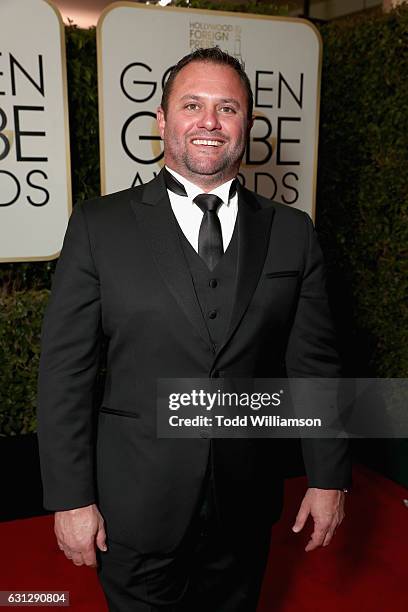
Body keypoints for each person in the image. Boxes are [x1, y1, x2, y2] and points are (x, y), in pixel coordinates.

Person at [37, 47, 351, 612]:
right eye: (192, 105)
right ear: (162, 121)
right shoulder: (98, 226)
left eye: (227, 108)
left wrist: (329, 478)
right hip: (132, 505)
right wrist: (69, 498)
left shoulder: (292, 233)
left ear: (247, 126)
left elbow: (314, 367)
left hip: (245, 502)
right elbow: (66, 375)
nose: (209, 121)